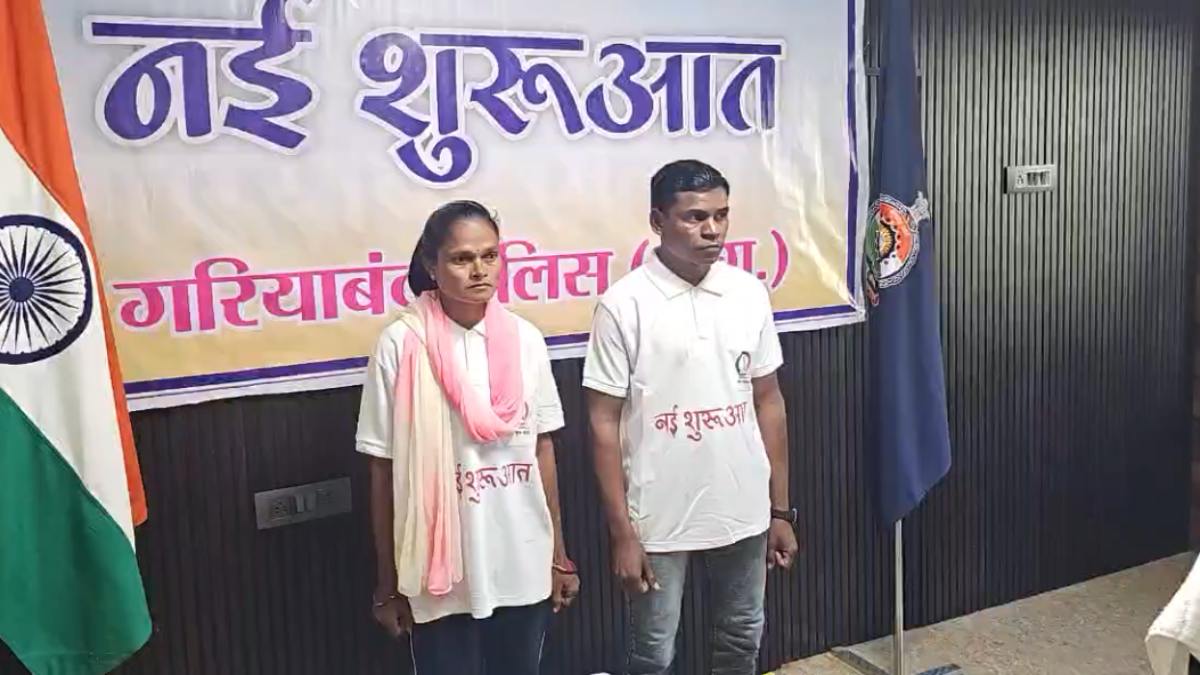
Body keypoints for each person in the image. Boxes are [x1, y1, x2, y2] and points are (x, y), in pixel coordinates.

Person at [584, 160, 799, 675]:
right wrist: (622, 533)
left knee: (742, 639)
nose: (713, 230)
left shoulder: (748, 292)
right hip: (657, 517)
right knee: (652, 654)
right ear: (658, 221)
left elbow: (768, 400)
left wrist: (780, 511)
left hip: (743, 507)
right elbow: (602, 423)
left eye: (721, 215)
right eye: (695, 217)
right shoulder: (624, 305)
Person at [356, 200, 579, 674]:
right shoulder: (402, 344)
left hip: (521, 558)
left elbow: (542, 449)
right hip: (438, 576)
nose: (480, 270)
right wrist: (388, 583)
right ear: (430, 265)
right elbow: (383, 468)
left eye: (490, 255)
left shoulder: (525, 338)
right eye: (461, 258)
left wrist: (557, 555)